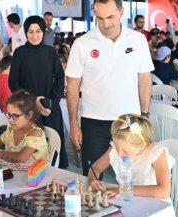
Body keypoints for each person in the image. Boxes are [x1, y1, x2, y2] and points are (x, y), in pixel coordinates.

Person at [65, 0, 154, 176]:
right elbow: (73, 86)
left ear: (122, 12)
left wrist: (144, 115)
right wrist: (74, 124)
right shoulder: (82, 44)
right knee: (91, 176)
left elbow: (144, 78)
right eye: (100, 18)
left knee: (135, 176)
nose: (106, 24)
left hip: (129, 121)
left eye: (111, 17)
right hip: (93, 121)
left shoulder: (138, 40)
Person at [9, 15, 67, 168]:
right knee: (32, 153)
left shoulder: (51, 52)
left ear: (43, 31)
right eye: (31, 32)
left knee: (54, 149)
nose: (35, 36)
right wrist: (34, 100)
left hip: (50, 107)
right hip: (29, 109)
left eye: (38, 31)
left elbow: (60, 78)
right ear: (26, 33)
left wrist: (51, 102)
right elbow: (13, 82)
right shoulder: (19, 53)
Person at [88, 114, 174, 200]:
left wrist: (123, 189)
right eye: (117, 147)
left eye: (125, 151)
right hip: (128, 201)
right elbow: (95, 168)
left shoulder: (155, 153)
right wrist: (93, 180)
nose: (119, 153)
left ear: (142, 146)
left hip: (156, 204)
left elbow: (164, 191)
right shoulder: (114, 151)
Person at [0, 90, 49, 163]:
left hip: (37, 173)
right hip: (19, 171)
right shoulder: (12, 130)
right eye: (9, 114)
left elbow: (20, 158)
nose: (10, 120)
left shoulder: (36, 133)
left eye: (15, 116)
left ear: (28, 115)